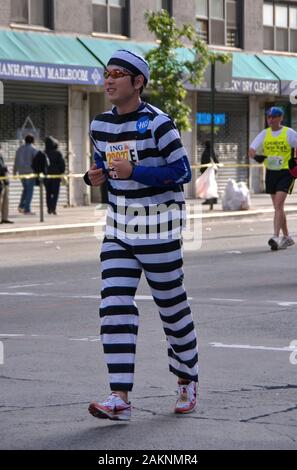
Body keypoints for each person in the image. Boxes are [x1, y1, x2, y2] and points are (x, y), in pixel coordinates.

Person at [83, 50, 198, 421]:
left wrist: (136, 170)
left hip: (160, 227)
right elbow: (104, 167)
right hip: (119, 228)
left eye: (118, 73)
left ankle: (186, 378)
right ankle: (119, 397)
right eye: (106, 73)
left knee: (171, 306)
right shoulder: (99, 125)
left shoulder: (159, 124)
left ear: (138, 83)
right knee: (114, 305)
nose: (109, 79)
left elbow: (182, 171)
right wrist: (93, 176)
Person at [249, 106, 297, 250]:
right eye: (269, 117)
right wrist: (256, 156)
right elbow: (251, 149)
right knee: (278, 207)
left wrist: (295, 160)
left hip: (286, 173)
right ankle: (287, 237)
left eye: (274, 116)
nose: (271, 119)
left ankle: (276, 237)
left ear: (280, 118)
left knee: (278, 205)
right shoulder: (265, 134)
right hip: (271, 173)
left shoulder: (289, 133)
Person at [41, 137, 65, 215]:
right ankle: (53, 208)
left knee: (48, 193)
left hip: (46, 176)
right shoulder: (57, 153)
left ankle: (49, 208)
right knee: (55, 193)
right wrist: (61, 172)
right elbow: (62, 164)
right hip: (56, 176)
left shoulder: (43, 153)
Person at [13, 134, 37, 215]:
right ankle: (27, 209)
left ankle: (21, 206)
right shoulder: (33, 149)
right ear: (32, 141)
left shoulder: (19, 149)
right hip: (30, 173)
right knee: (29, 191)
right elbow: (36, 161)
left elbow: (16, 161)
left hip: (21, 172)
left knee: (25, 190)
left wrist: (14, 172)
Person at [200, 140, 219, 205]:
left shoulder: (208, 152)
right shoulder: (212, 151)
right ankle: (213, 199)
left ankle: (209, 200)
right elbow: (216, 161)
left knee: (208, 186)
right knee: (211, 185)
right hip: (210, 171)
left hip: (208, 172)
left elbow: (205, 161)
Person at [0, 145, 13, 224]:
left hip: (4, 181)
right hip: (1, 181)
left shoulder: (1, 156)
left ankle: (5, 218)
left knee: (5, 200)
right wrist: (5, 168)